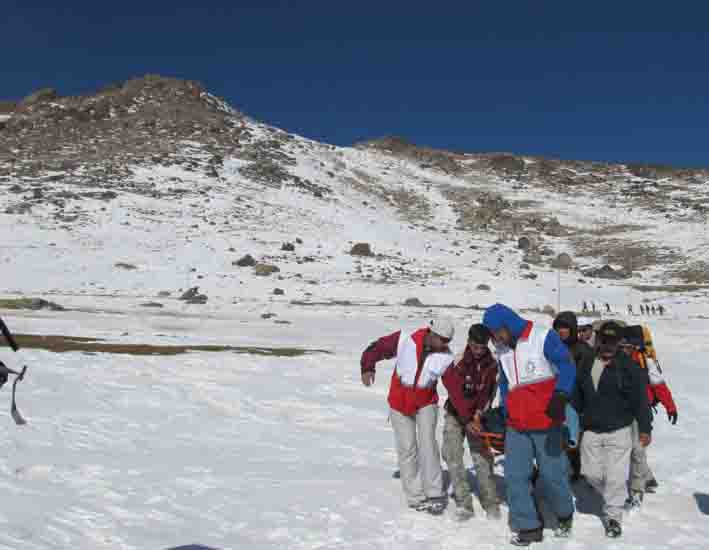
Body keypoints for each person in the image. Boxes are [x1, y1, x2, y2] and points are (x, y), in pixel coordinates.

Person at [482, 304, 576, 546]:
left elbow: (567, 365)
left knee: (552, 474)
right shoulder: (502, 350)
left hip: (546, 422)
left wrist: (561, 394)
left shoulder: (542, 336)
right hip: (517, 426)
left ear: (507, 324)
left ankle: (564, 513)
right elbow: (505, 383)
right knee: (515, 476)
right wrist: (504, 413)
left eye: (496, 332)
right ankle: (528, 527)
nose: (495, 338)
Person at [360, 318, 456, 514]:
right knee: (407, 448)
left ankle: (435, 493)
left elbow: (454, 385)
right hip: (398, 402)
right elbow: (377, 348)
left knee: (428, 444)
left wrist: (466, 410)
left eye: (448, 341)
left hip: (425, 402)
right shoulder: (405, 340)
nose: (446, 345)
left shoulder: (445, 356)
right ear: (433, 334)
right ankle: (415, 496)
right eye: (443, 340)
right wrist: (368, 366)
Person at [571, 321, 653, 538]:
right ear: (599, 341)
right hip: (591, 429)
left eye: (613, 342)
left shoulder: (628, 367)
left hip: (619, 429)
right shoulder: (587, 362)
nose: (608, 346)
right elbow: (577, 394)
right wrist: (571, 418)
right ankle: (614, 497)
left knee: (616, 477)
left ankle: (614, 516)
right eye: (604, 341)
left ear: (619, 343)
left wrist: (645, 428)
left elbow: (640, 401)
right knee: (590, 473)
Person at [441, 324, 500, 519]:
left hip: (476, 416)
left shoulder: (492, 364)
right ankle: (464, 502)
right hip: (456, 414)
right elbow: (455, 394)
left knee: (482, 457)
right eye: (474, 346)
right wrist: (467, 419)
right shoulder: (457, 362)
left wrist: (479, 414)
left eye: (482, 348)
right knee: (452, 453)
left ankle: (490, 501)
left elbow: (489, 393)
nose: (478, 351)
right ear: (468, 342)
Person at [620, 328, 678, 501]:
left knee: (637, 449)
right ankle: (647, 477)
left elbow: (659, 385)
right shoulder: (613, 360)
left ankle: (637, 489)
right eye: (622, 346)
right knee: (626, 448)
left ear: (635, 347)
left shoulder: (645, 361)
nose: (624, 350)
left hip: (641, 411)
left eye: (628, 347)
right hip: (619, 411)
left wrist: (670, 407)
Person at [553, 312, 595, 480]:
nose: (561, 331)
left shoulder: (584, 350)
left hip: (576, 401)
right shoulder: (552, 348)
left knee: (576, 440)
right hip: (556, 399)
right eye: (558, 327)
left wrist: (587, 405)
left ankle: (578, 471)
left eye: (564, 327)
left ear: (572, 329)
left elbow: (586, 379)